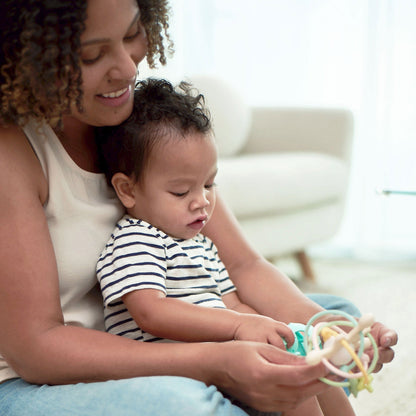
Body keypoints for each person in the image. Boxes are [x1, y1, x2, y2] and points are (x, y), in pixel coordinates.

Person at [0, 1, 397, 415]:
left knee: (335, 318)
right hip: (38, 381)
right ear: (29, 56)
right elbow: (36, 348)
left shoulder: (144, 126)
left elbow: (243, 266)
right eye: (91, 55)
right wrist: (216, 363)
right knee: (185, 402)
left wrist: (326, 330)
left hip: (165, 341)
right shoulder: (14, 151)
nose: (128, 68)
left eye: (133, 33)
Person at [95, 77, 357, 416]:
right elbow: (150, 312)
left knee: (311, 363)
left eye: (209, 184)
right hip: (175, 372)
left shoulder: (200, 244)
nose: (201, 201)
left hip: (228, 359)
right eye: (180, 192)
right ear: (127, 190)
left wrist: (280, 330)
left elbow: (233, 304)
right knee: (294, 380)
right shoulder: (135, 239)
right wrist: (237, 327)